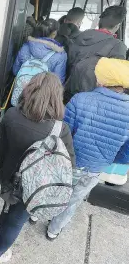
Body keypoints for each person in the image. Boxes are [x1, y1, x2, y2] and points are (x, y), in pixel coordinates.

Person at [0, 73, 75, 264]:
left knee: (9, 206)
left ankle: (2, 231)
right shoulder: (60, 129)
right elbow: (69, 165)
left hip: (9, 175)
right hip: (34, 187)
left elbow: (1, 146)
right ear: (56, 98)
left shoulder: (11, 115)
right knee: (17, 220)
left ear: (29, 90)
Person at [47, 58, 129, 241]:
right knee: (75, 198)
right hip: (95, 168)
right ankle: (54, 229)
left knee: (53, 186)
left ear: (101, 80)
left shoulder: (80, 99)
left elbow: (63, 132)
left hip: (68, 159)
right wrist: (109, 159)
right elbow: (126, 152)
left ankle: (37, 213)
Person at [65, 6, 127, 102]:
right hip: (95, 100)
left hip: (69, 93)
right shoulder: (118, 47)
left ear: (99, 22)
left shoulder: (78, 37)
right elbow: (115, 82)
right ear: (117, 26)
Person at [13, 19, 67, 84]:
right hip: (42, 92)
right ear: (54, 33)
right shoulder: (60, 54)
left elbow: (15, 71)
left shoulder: (25, 46)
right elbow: (58, 81)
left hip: (22, 88)